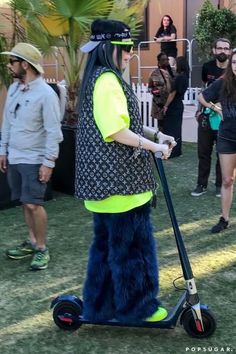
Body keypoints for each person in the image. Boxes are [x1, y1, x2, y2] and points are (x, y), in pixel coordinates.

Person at [75, 19, 176, 323]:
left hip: (108, 189)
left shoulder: (100, 78)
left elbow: (126, 124)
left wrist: (157, 136)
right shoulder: (106, 80)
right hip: (121, 188)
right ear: (112, 49)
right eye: (128, 48)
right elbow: (117, 131)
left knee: (106, 249)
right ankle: (138, 307)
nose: (132, 54)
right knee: (132, 250)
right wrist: (153, 147)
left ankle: (100, 306)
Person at [0, 43, 63, 270]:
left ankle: (42, 249)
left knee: (34, 204)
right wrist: (2, 150)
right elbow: (7, 121)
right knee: (25, 203)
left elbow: (54, 132)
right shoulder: (15, 88)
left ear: (25, 64)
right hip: (15, 157)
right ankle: (32, 241)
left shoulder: (46, 94)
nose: (9, 66)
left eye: (12, 62)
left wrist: (48, 163)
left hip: (34, 159)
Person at [198, 51, 236, 233]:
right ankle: (224, 219)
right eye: (235, 62)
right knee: (227, 180)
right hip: (227, 138)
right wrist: (215, 108)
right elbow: (202, 97)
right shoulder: (222, 83)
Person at [191, 38, 232, 197]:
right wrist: (199, 110)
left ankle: (219, 185)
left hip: (225, 118)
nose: (222, 51)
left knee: (222, 152)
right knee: (203, 152)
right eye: (219, 48)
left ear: (229, 51)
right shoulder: (207, 67)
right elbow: (203, 90)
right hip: (207, 116)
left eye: (226, 48)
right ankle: (201, 184)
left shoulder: (232, 69)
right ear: (214, 50)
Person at [162, 56, 189, 158]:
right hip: (179, 105)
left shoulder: (179, 77)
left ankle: (170, 151)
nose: (175, 65)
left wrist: (166, 106)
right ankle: (177, 151)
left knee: (169, 129)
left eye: (176, 63)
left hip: (173, 105)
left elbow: (172, 93)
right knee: (177, 129)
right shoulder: (186, 77)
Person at [148, 52, 172, 131]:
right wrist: (155, 91)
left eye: (167, 59)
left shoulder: (173, 72)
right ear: (159, 62)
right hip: (159, 105)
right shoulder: (154, 73)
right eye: (163, 59)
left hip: (171, 103)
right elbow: (150, 88)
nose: (166, 61)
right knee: (161, 127)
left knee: (170, 126)